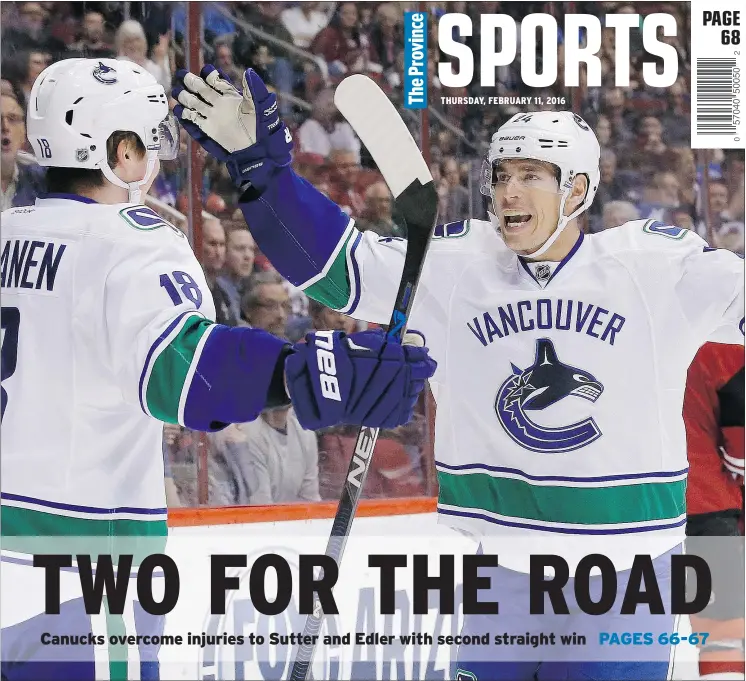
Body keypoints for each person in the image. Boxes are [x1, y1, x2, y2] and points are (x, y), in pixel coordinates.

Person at [174, 66, 744, 681]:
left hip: (626, 571)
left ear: (578, 189)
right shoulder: (454, 264)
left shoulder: (653, 265)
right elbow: (332, 266)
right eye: (500, 176)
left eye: (531, 176)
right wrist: (264, 173)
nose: (508, 193)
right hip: (498, 568)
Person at [0, 58, 436, 681]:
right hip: (76, 583)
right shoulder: (131, 243)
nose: (155, 161)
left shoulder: (6, 231)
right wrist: (312, 374)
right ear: (120, 152)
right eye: (146, 144)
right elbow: (189, 371)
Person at [684, 342, 745, 681]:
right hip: (708, 503)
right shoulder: (728, 346)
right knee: (721, 630)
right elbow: (741, 450)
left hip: (640, 506)